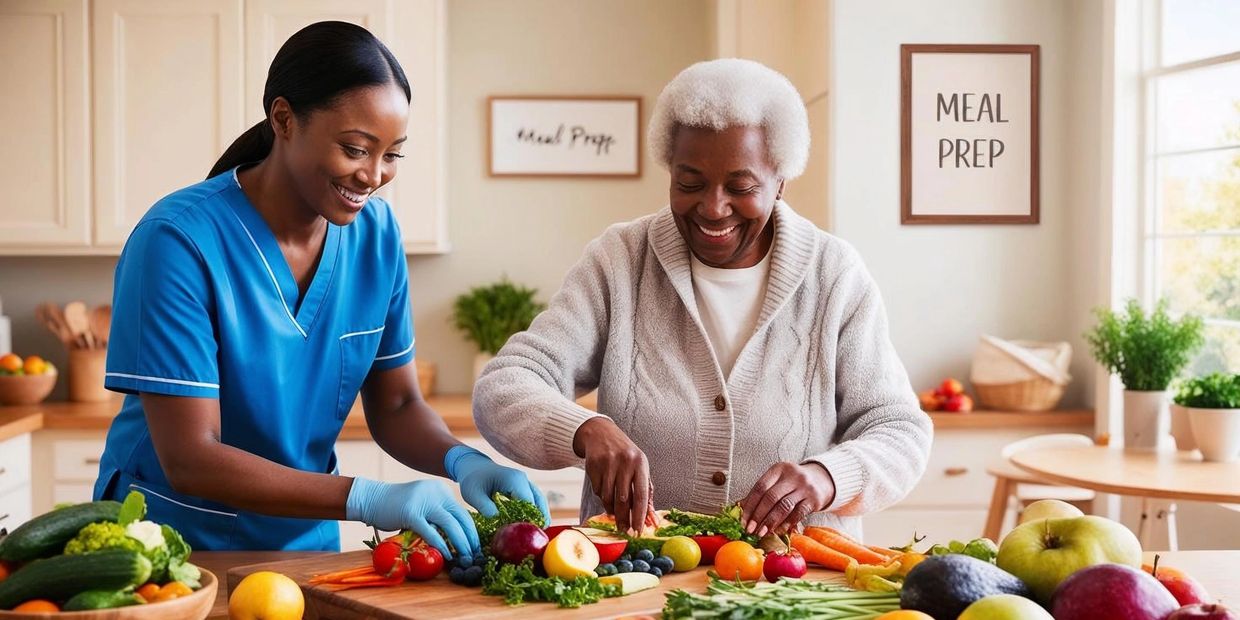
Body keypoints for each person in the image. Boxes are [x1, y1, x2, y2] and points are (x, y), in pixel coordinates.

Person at [93, 21, 547, 557]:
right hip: (174, 548)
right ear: (284, 119)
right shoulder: (176, 242)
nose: (373, 175)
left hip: (305, 543)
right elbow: (191, 456)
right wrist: (368, 497)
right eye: (356, 149)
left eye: (392, 154)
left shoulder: (376, 238)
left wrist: (462, 461)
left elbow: (397, 404)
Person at [474, 59, 932, 540]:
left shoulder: (835, 275)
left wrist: (827, 477)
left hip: (794, 587)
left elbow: (899, 429)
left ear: (781, 181)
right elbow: (504, 387)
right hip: (639, 583)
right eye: (689, 183)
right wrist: (583, 430)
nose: (713, 208)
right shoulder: (620, 260)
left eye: (741, 187)